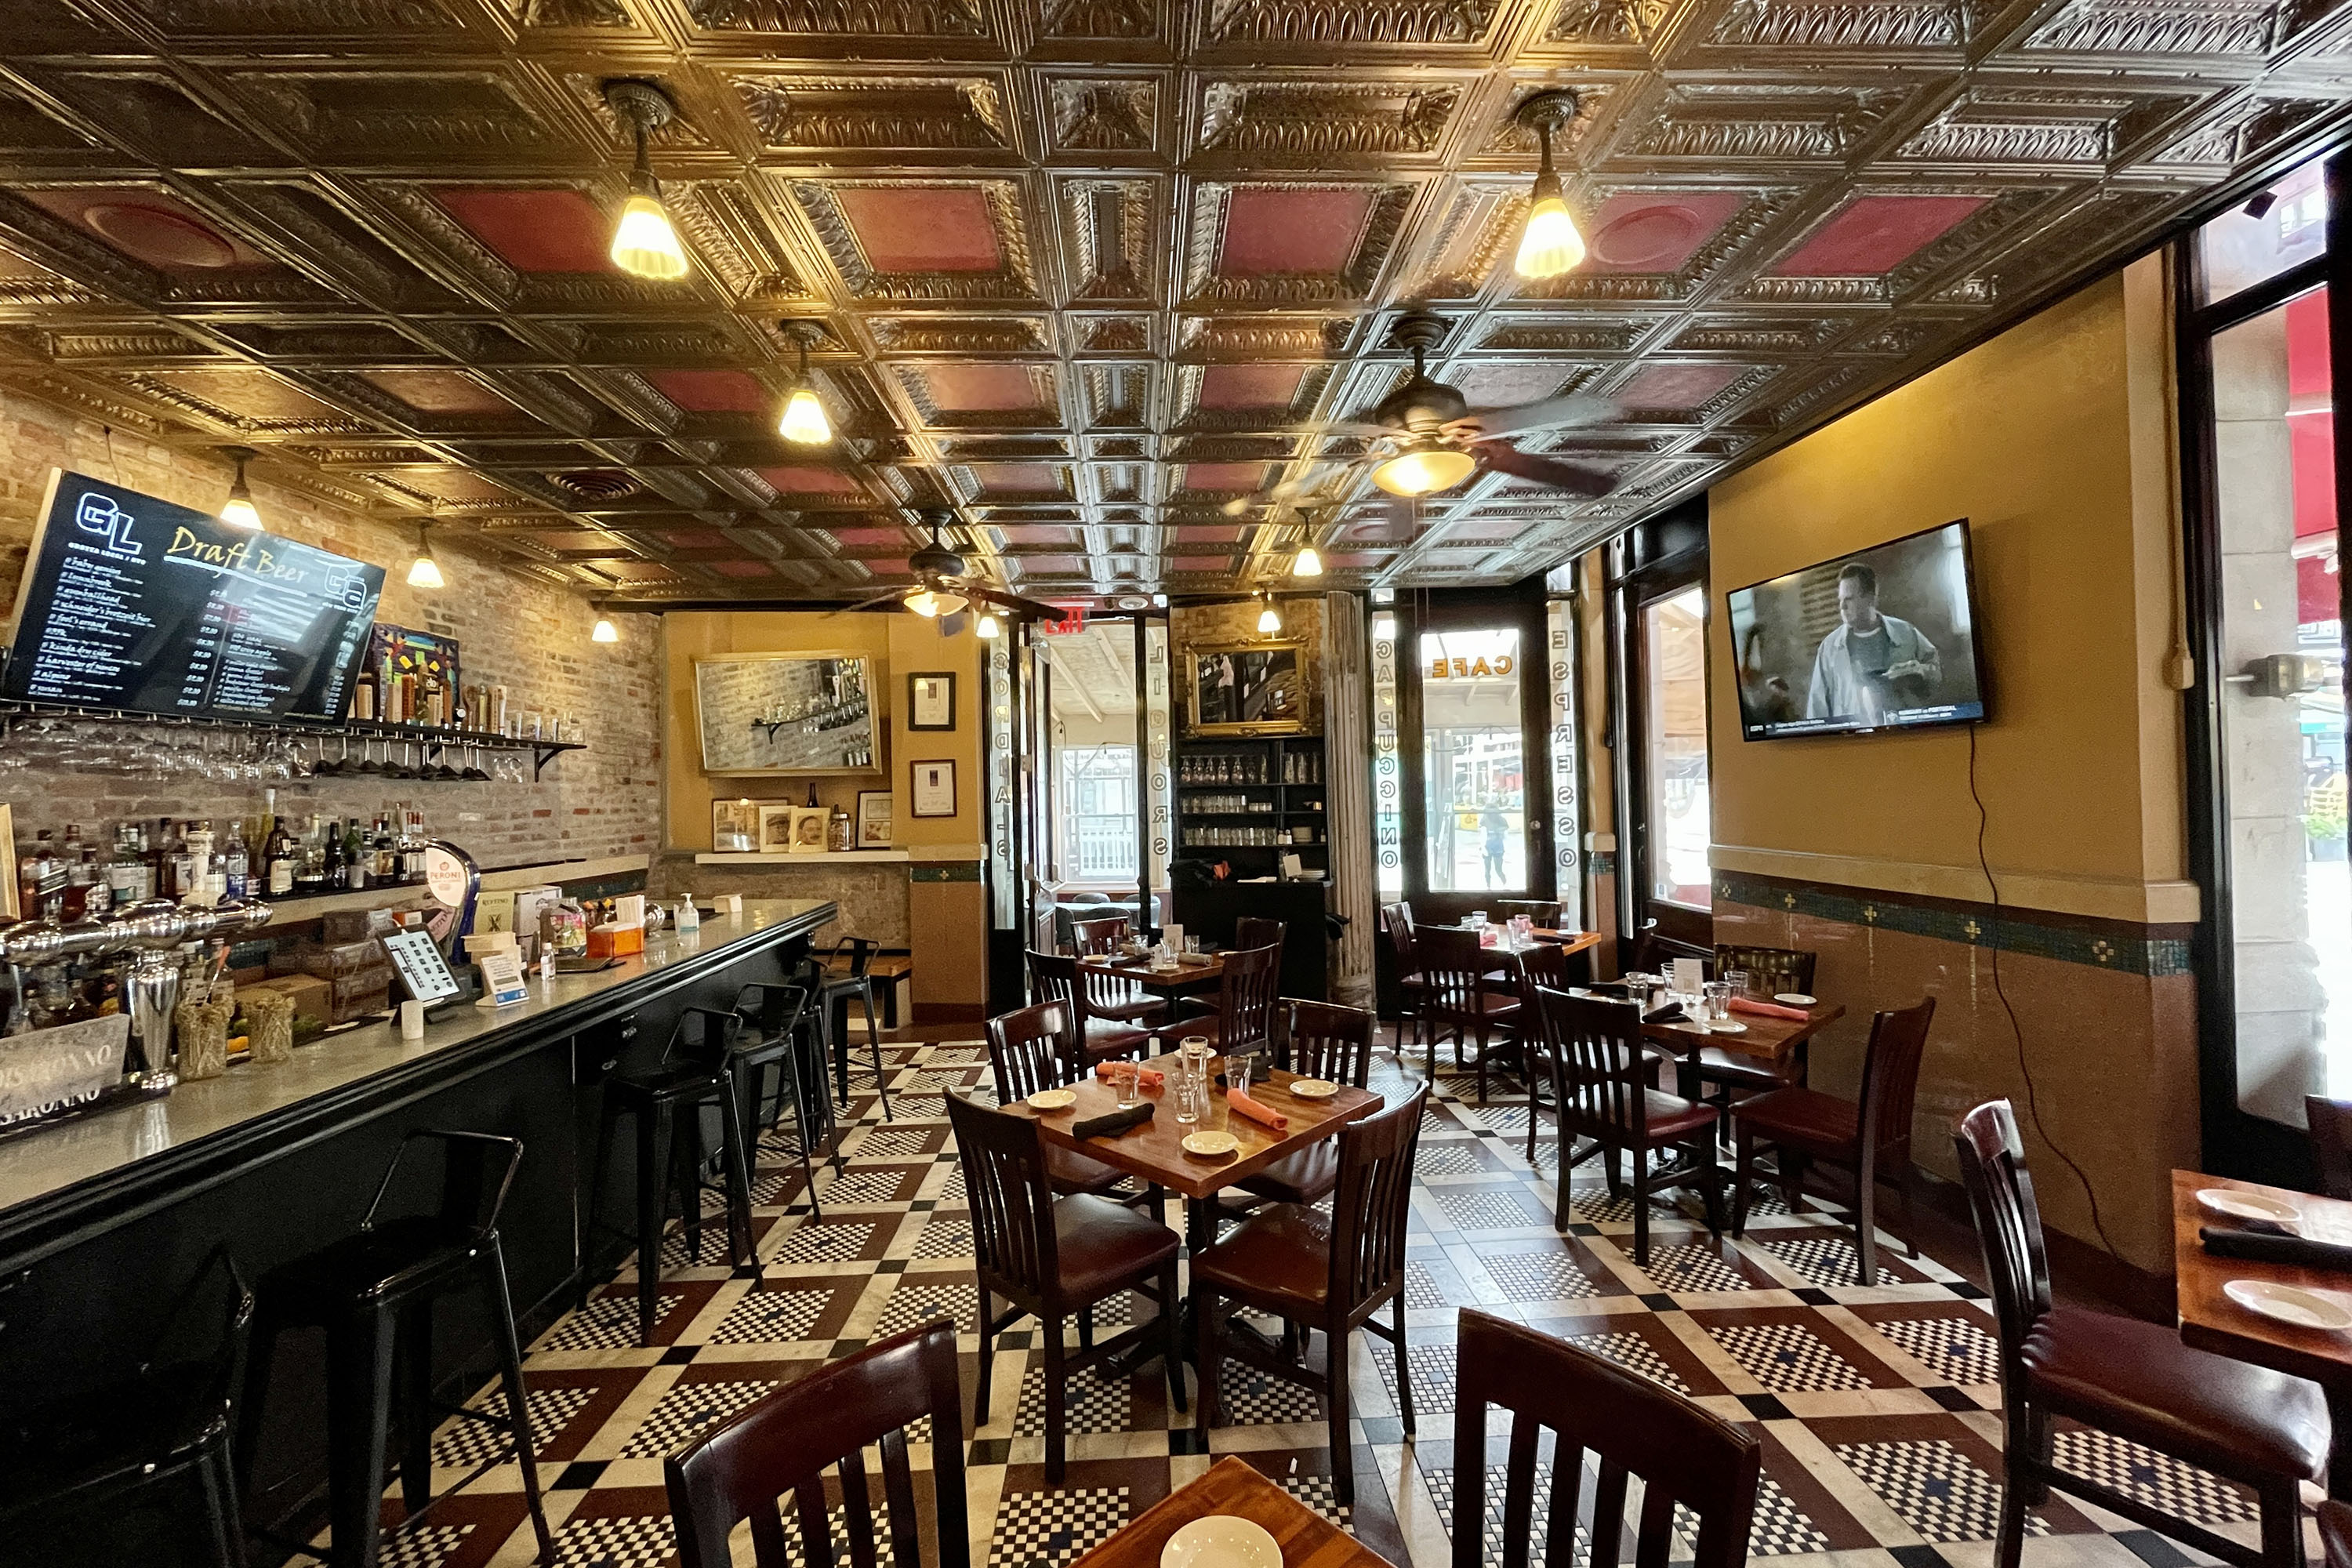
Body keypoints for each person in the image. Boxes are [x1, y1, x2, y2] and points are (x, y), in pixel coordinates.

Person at [1804, 562, 1940, 724]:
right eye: (1841, 600)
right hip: (1853, 736)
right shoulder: (1829, 647)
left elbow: (1935, 673)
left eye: (1849, 599)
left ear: (1870, 598)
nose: (1842, 606)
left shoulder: (1905, 632)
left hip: (1906, 732)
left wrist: (1919, 671)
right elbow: (1817, 709)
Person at [1480, 804, 1508, 886]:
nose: (1492, 815)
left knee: (1498, 870)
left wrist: (1498, 831)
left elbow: (1506, 828)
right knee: (1487, 869)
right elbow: (1481, 832)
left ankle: (1505, 884)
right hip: (1488, 845)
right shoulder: (1484, 819)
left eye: (1494, 813)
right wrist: (1482, 845)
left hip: (1498, 846)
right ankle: (1488, 886)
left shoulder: (1501, 820)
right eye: (1490, 813)